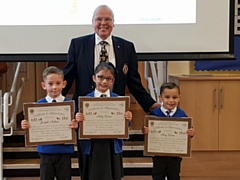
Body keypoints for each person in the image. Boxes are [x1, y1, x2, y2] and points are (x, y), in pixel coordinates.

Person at [62, 4, 160, 176]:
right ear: (92, 22)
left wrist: (150, 105)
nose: (103, 23)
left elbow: (134, 81)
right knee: (87, 156)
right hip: (85, 115)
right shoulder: (78, 44)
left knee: (113, 155)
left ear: (114, 23)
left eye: (107, 19)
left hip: (114, 115)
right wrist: (52, 103)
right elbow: (67, 77)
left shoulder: (127, 47)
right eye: (99, 19)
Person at [75, 62, 132, 180]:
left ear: (113, 81)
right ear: (94, 78)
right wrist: (78, 119)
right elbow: (78, 126)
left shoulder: (119, 100)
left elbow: (126, 125)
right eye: (100, 77)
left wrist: (128, 118)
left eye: (108, 78)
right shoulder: (85, 100)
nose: (104, 81)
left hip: (112, 145)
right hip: (92, 146)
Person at [21, 66, 78, 180]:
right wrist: (25, 125)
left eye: (58, 83)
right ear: (44, 85)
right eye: (50, 83)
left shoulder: (70, 105)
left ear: (64, 84)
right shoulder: (38, 105)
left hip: (64, 151)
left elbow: (77, 124)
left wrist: (76, 125)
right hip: (45, 151)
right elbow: (32, 125)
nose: (54, 87)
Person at [142, 82, 195, 180]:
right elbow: (146, 129)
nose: (171, 100)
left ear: (179, 98)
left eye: (174, 97)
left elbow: (188, 131)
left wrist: (191, 133)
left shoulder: (182, 115)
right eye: (167, 97)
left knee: (174, 175)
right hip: (158, 153)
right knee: (158, 175)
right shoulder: (154, 114)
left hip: (175, 154)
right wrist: (145, 130)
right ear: (160, 98)